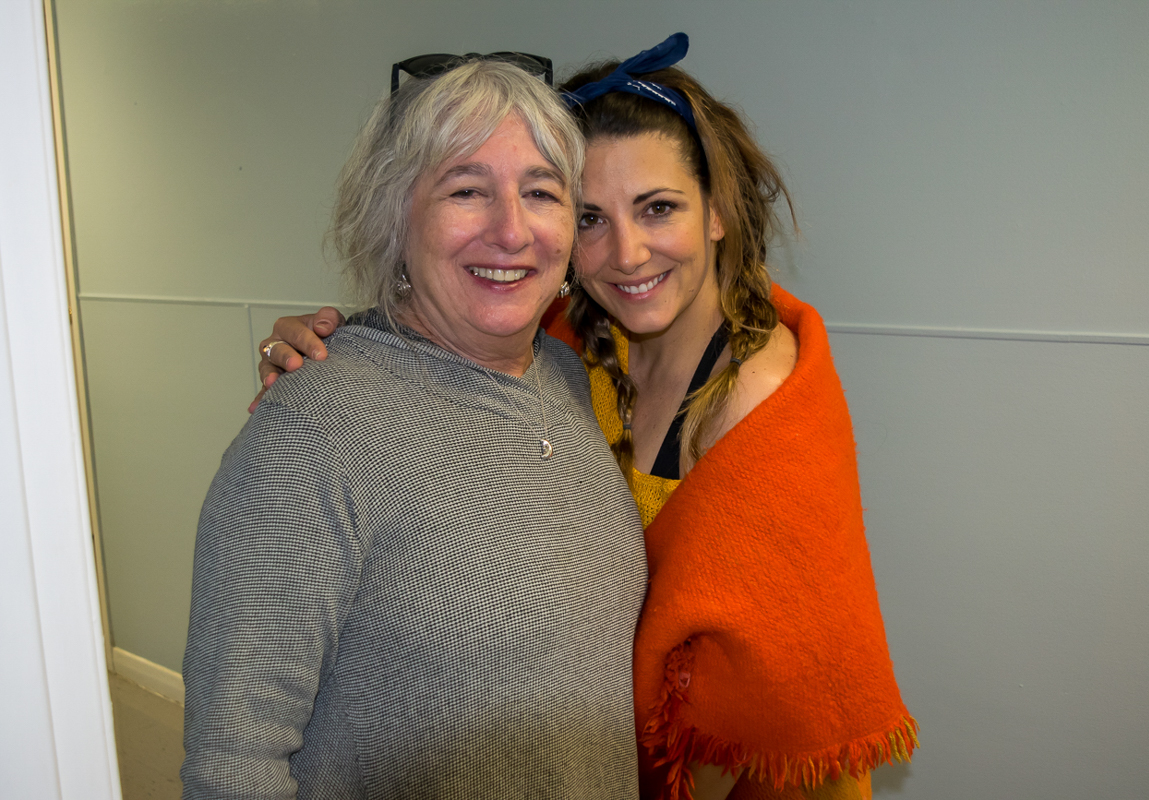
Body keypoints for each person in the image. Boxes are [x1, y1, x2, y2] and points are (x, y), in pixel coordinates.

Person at [253, 35, 917, 800]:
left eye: (658, 208)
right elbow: (444, 357)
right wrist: (331, 347)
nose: (626, 254)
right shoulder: (572, 346)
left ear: (717, 212)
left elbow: (754, 714)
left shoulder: (761, 400)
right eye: (592, 218)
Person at [181, 58, 648, 800]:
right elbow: (232, 764)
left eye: (541, 192)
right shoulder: (311, 430)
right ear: (395, 219)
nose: (511, 229)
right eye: (466, 190)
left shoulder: (569, 380)